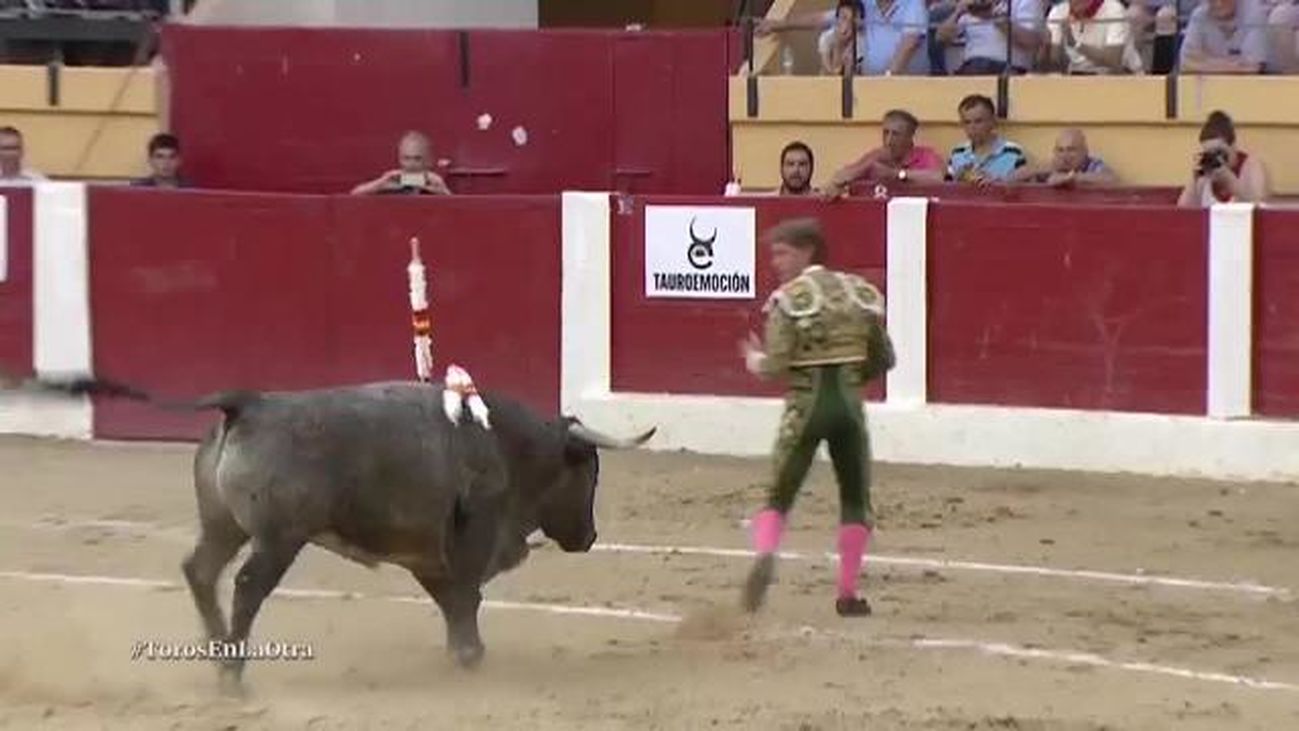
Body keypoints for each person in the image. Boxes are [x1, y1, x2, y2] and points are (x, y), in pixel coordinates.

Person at [738, 218, 895, 618]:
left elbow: (775, 367)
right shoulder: (861, 294)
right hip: (849, 409)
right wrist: (849, 376)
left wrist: (753, 359)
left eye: (782, 252)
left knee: (779, 493)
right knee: (855, 498)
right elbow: (884, 359)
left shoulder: (786, 300)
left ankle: (767, 553)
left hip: (805, 408)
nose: (775, 262)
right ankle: (847, 593)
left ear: (808, 249)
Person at [822, 109, 946, 198]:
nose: (889, 140)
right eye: (886, 133)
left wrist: (896, 174)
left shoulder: (925, 155)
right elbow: (839, 177)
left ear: (910, 137)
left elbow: (938, 178)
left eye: (896, 134)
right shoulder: (876, 156)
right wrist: (868, 164)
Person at [1177, 110, 1271, 207]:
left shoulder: (1252, 166)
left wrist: (1232, 183)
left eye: (1219, 153)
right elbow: (1183, 210)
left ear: (1233, 146)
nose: (1216, 159)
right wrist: (1194, 179)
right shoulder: (1205, 171)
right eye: (1210, 154)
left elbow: (1260, 207)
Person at [947, 94, 1028, 185]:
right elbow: (948, 189)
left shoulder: (1013, 152)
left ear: (992, 121)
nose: (972, 128)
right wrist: (959, 179)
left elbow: (1023, 190)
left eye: (978, 121)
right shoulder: (958, 153)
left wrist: (996, 183)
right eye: (967, 122)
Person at [351, 131, 451, 196]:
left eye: (417, 159)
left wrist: (442, 192)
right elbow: (354, 195)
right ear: (399, 159)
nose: (411, 164)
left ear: (428, 161)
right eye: (406, 158)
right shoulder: (392, 179)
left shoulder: (434, 182)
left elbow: (456, 209)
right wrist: (380, 184)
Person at [1011, 128, 1118, 187]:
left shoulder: (1092, 164)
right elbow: (1012, 178)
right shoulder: (1051, 165)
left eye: (1071, 150)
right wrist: (1040, 170)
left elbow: (1111, 179)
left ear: (1085, 151)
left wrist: (1072, 178)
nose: (1065, 156)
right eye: (1060, 150)